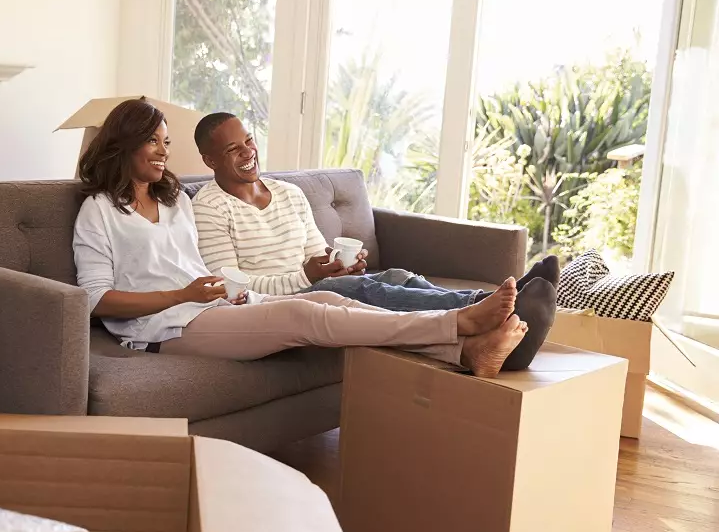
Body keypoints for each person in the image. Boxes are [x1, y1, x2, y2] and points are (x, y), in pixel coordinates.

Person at [72, 97, 540, 378]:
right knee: (304, 313)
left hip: (213, 306)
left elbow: (204, 269)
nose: (162, 153)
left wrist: (230, 292)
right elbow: (95, 300)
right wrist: (183, 294)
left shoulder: (175, 200)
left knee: (335, 305)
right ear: (124, 144)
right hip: (162, 330)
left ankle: (466, 350)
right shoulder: (98, 213)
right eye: (153, 141)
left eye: (166, 142)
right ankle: (457, 321)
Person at [190, 111, 558, 370]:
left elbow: (315, 254)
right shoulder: (208, 207)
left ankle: (488, 309)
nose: (248, 152)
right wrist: (306, 277)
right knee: (360, 289)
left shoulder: (288, 193)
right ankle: (484, 307)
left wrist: (334, 262)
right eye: (232, 149)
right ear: (210, 160)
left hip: (312, 283)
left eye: (248, 140)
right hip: (270, 303)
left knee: (394, 277)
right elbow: (231, 287)